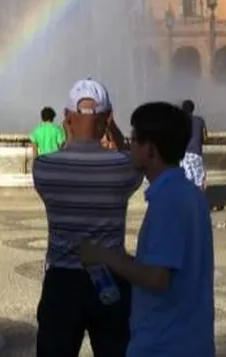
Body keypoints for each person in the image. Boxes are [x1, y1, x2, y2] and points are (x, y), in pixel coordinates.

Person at [79, 101, 215, 357]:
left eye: (134, 140)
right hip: (191, 341)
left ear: (150, 149)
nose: (129, 147)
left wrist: (104, 256)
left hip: (164, 345)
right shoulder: (190, 193)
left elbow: (157, 278)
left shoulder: (168, 201)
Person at [32, 78, 143, 357]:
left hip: (63, 281)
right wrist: (112, 128)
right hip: (112, 281)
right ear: (108, 119)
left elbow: (63, 150)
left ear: (66, 117)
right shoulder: (124, 168)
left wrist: (72, 130)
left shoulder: (45, 168)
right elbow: (128, 153)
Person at [179, 100, 207, 190]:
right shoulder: (200, 120)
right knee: (198, 182)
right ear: (193, 109)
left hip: (183, 155)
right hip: (196, 154)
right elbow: (205, 137)